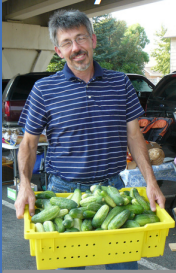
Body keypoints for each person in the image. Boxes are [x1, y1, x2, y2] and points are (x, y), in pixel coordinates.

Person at [13, 9, 166, 270]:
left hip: (114, 189)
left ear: (93, 40)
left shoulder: (120, 83)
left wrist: (151, 182)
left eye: (81, 38)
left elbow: (134, 136)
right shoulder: (43, 89)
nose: (76, 47)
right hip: (64, 191)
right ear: (58, 50)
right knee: (70, 266)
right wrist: (25, 185)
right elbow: (28, 143)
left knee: (124, 266)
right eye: (67, 42)